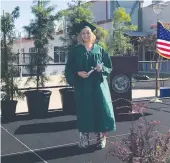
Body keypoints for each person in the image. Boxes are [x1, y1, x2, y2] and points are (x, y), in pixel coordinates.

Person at [65, 20, 116, 149]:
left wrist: (101, 69)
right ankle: (84, 137)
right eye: (83, 33)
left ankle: (101, 137)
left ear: (92, 35)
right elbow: (69, 69)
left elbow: (108, 66)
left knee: (101, 110)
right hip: (83, 87)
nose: (85, 35)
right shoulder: (75, 51)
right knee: (84, 111)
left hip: (98, 86)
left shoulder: (100, 50)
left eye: (88, 33)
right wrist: (78, 73)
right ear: (80, 36)